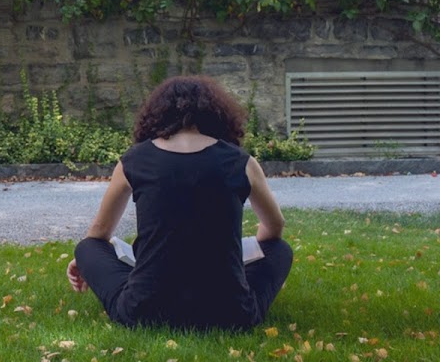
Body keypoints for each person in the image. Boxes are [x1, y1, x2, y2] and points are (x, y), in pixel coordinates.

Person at [66, 75, 293, 331]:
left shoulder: (134, 160)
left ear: (157, 115)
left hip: (144, 311)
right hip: (230, 313)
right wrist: (239, 259)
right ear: (217, 116)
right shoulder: (241, 161)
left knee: (87, 247)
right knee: (279, 249)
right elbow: (274, 229)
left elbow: (98, 235)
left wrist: (85, 260)